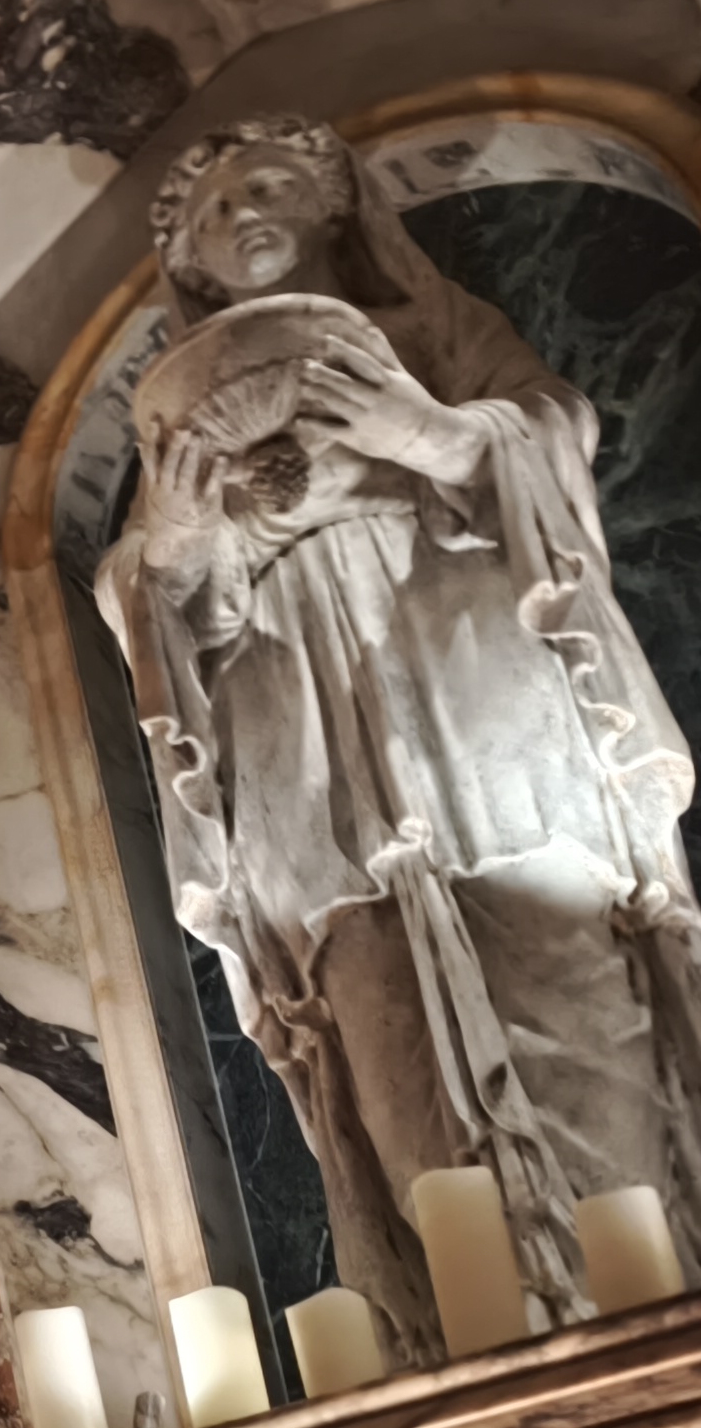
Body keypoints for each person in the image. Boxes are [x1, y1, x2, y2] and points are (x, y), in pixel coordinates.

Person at [98, 113, 701, 1354]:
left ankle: (656, 1320)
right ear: (191, 267)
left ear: (334, 204)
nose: (239, 213)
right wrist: (183, 542)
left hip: (476, 693)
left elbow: (553, 430)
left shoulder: (431, 333)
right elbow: (150, 603)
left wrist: (417, 432)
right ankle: (482, 1364)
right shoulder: (180, 430)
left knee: (571, 979)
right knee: (386, 1048)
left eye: (266, 184)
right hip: (304, 754)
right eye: (211, 212)